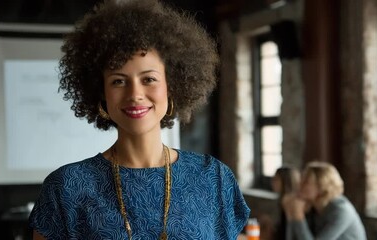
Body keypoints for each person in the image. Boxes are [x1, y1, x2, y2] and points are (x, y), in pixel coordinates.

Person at [28, 0, 250, 239]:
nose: (135, 94)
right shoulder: (66, 188)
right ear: (101, 91)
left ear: (172, 85)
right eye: (118, 81)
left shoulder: (213, 179)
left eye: (149, 79)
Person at [282, 161, 367, 240]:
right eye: (302, 179)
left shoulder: (341, 211)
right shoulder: (312, 207)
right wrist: (290, 214)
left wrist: (298, 216)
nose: (299, 184)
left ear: (322, 187)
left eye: (306, 182)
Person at [271, 167, 301, 240]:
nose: (272, 182)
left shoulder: (292, 203)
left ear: (286, 181)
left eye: (276, 179)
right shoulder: (283, 200)